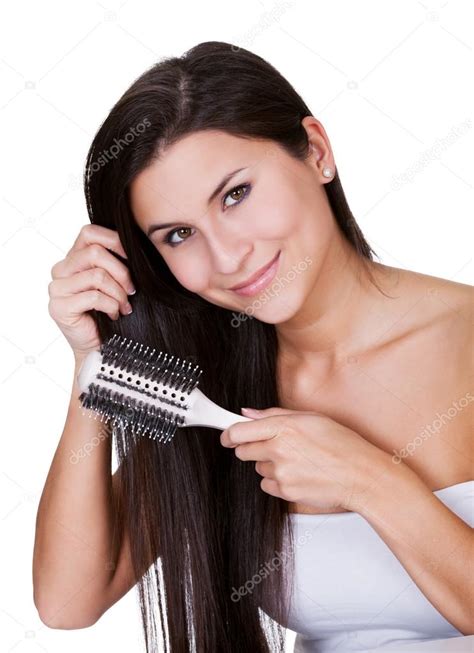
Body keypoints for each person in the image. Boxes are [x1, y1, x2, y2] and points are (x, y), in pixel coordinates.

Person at [33, 40, 473, 652]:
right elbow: (68, 603)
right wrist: (95, 369)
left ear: (316, 152)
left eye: (235, 194)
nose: (227, 256)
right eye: (179, 234)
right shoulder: (211, 389)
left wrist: (372, 482)